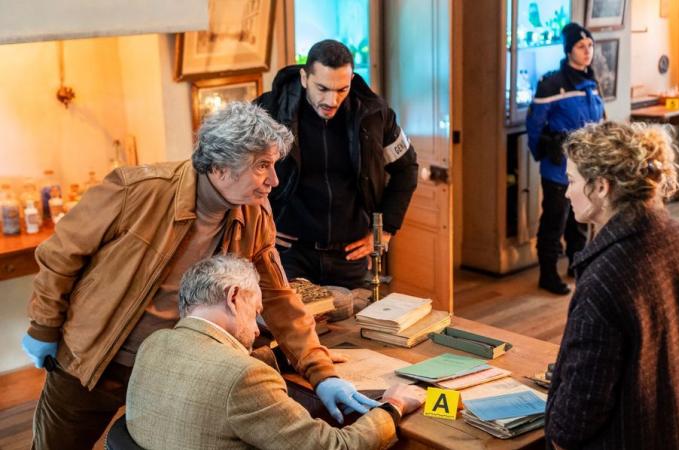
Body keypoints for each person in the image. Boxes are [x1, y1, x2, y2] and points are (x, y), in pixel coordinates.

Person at [20, 102, 376, 450]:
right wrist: (43, 327)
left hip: (170, 369)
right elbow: (59, 256)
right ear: (221, 167)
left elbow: (278, 296)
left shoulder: (254, 213)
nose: (274, 180)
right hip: (91, 364)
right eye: (262, 166)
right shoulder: (137, 191)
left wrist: (321, 372)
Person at [126, 255, 426, 449]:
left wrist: (284, 358)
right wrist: (393, 406)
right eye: (256, 311)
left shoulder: (155, 344)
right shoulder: (245, 378)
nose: (257, 330)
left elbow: (205, 365)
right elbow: (337, 447)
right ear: (233, 298)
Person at [545, 121, 679, 449]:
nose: (566, 190)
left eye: (572, 180)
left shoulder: (604, 279)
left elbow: (577, 416)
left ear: (601, 187)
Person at [256, 39, 418, 289]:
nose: (331, 100)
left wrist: (385, 231)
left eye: (342, 89)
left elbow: (406, 169)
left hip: (350, 255)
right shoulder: (268, 111)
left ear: (351, 80)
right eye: (322, 88)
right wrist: (260, 224)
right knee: (293, 327)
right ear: (304, 78)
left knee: (353, 328)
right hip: (289, 254)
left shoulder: (375, 115)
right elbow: (237, 171)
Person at [526, 22, 605, 295]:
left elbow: (599, 120)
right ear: (569, 50)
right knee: (554, 221)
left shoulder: (591, 81)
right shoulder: (552, 84)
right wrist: (544, 149)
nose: (588, 51)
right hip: (558, 169)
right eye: (581, 46)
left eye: (590, 46)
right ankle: (547, 275)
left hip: (585, 166)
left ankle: (577, 265)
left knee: (580, 220)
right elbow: (535, 125)